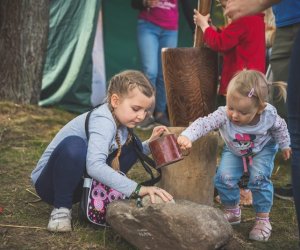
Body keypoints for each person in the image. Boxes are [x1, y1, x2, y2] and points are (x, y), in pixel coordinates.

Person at [31, 70, 173, 232]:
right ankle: (61, 208)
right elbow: (94, 166)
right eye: (136, 109)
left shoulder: (122, 122)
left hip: (79, 183)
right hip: (50, 185)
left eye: (146, 111)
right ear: (115, 101)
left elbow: (129, 151)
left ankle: (99, 197)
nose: (141, 116)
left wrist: (151, 144)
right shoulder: (103, 120)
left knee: (134, 144)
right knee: (75, 146)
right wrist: (138, 189)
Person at [177, 69, 291, 242]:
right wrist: (188, 135)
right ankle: (232, 210)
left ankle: (262, 219)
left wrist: (284, 144)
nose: (234, 115)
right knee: (223, 177)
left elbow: (280, 127)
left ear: (260, 108)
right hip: (235, 149)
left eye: (243, 112)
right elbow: (205, 123)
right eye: (231, 108)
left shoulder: (269, 115)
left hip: (262, 149)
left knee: (259, 179)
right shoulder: (223, 115)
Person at [131, 0, 195, 130]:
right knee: (150, 71)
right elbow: (134, 3)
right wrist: (144, 2)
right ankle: (146, 114)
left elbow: (187, 5)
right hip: (148, 26)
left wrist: (195, 28)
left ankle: (160, 113)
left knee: (165, 72)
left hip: (170, 30)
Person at [193, 0, 266, 107]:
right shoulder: (255, 19)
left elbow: (219, 43)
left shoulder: (242, 20)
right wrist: (213, 29)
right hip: (253, 84)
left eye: (226, 6)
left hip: (238, 86)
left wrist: (204, 25)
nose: (225, 12)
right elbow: (231, 39)